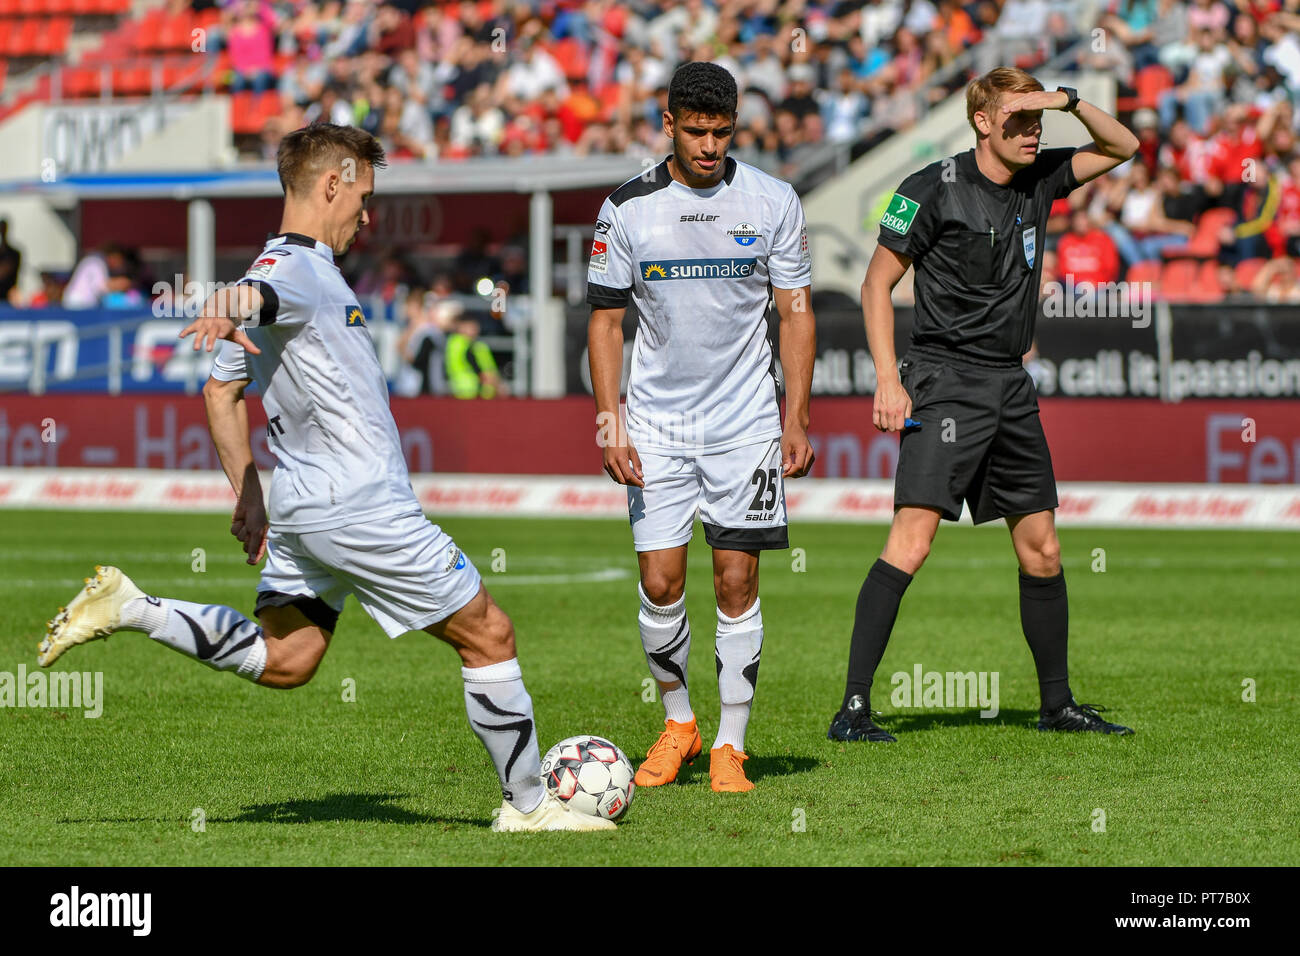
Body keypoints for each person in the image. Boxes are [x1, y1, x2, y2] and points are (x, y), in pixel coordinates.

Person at [36, 122, 610, 832]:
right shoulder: (297, 269)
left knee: (288, 657)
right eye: (362, 197)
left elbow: (221, 392)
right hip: (358, 505)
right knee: (489, 633)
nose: (366, 215)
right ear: (331, 184)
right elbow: (255, 296)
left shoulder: (299, 271)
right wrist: (225, 304)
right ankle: (529, 807)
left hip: (302, 507)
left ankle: (133, 607)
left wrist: (248, 493)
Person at [827, 67, 1140, 743]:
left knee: (1045, 551)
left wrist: (1068, 100)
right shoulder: (927, 189)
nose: (1033, 134)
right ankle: (853, 708)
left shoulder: (1041, 177)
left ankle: (1057, 707)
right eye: (1018, 121)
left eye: (1038, 123)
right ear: (980, 122)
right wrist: (889, 379)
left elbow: (1124, 147)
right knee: (912, 543)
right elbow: (876, 286)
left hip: (1010, 385)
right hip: (944, 381)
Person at [587, 62, 817, 793]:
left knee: (736, 578)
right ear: (668, 123)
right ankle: (680, 723)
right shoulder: (626, 209)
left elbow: (796, 313)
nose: (710, 146)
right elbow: (604, 320)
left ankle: (731, 745)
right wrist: (609, 421)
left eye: (722, 132)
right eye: (696, 131)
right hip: (655, 423)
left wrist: (797, 416)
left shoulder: (773, 200)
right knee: (660, 582)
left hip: (746, 421)